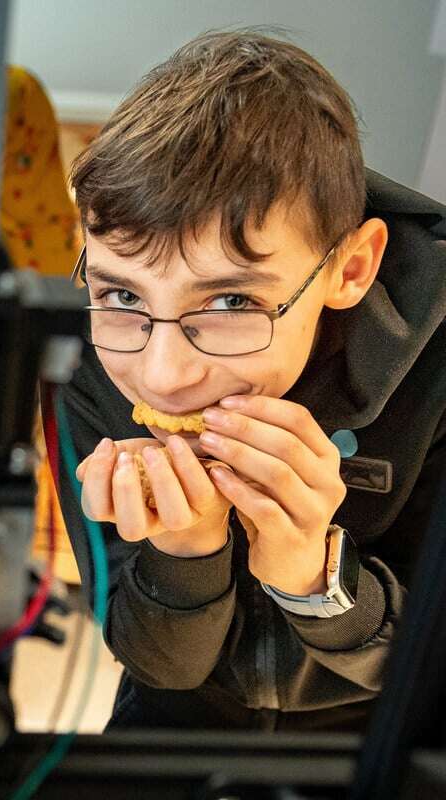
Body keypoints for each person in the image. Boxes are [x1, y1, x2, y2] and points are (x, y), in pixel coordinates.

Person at [57, 30, 445, 731]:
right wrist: (185, 550)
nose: (163, 377)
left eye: (232, 303)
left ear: (349, 270)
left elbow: (425, 680)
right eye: (123, 296)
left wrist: (312, 573)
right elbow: (160, 670)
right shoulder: (86, 362)